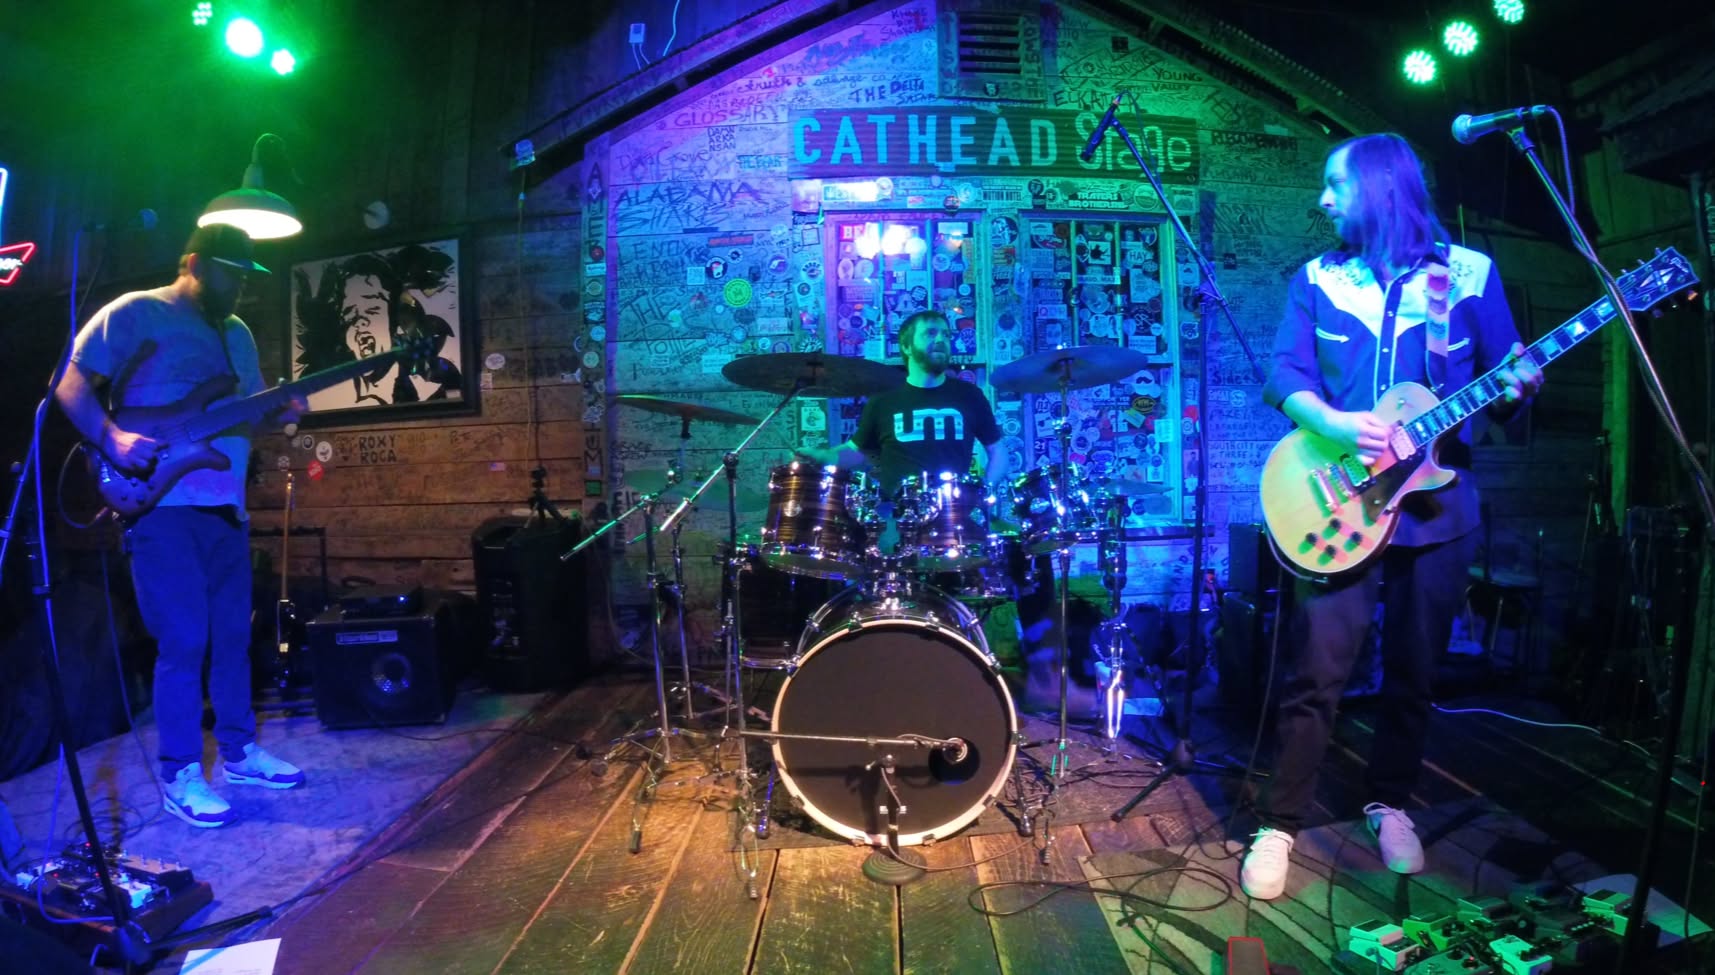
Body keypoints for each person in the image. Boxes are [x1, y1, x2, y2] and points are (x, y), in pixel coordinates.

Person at [1244, 133, 1542, 899]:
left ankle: (1390, 801)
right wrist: (1337, 424)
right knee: (1314, 670)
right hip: (1339, 501)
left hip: (1436, 509)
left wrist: (1517, 387)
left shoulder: (1468, 274)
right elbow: (1284, 374)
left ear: (1377, 188)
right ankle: (1279, 821)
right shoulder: (1317, 278)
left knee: (1414, 671)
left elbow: (1506, 380)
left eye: (1333, 184)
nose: (1322, 199)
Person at [56, 224, 307, 828]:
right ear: (193, 261)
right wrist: (113, 438)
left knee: (233, 636)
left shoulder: (237, 334)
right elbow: (68, 385)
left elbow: (243, 417)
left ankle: (239, 753)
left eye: (245, 276)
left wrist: (282, 411)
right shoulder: (135, 313)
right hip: (162, 507)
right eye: (229, 272)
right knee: (184, 641)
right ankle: (179, 772)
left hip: (224, 504)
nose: (239, 285)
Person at [797, 308, 1009, 513]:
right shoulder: (883, 399)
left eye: (946, 334)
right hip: (898, 515)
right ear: (907, 346)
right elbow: (857, 452)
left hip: (953, 513)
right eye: (930, 333)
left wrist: (983, 494)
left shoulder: (970, 395)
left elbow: (998, 452)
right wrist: (822, 456)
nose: (941, 340)